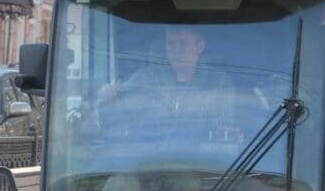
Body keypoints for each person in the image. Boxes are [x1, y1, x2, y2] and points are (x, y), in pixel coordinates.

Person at [98, 25, 238, 141]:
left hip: (199, 166)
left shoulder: (219, 83)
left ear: (199, 47)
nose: (176, 50)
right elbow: (116, 120)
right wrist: (108, 100)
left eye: (183, 43)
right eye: (171, 43)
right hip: (145, 163)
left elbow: (223, 132)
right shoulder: (145, 78)